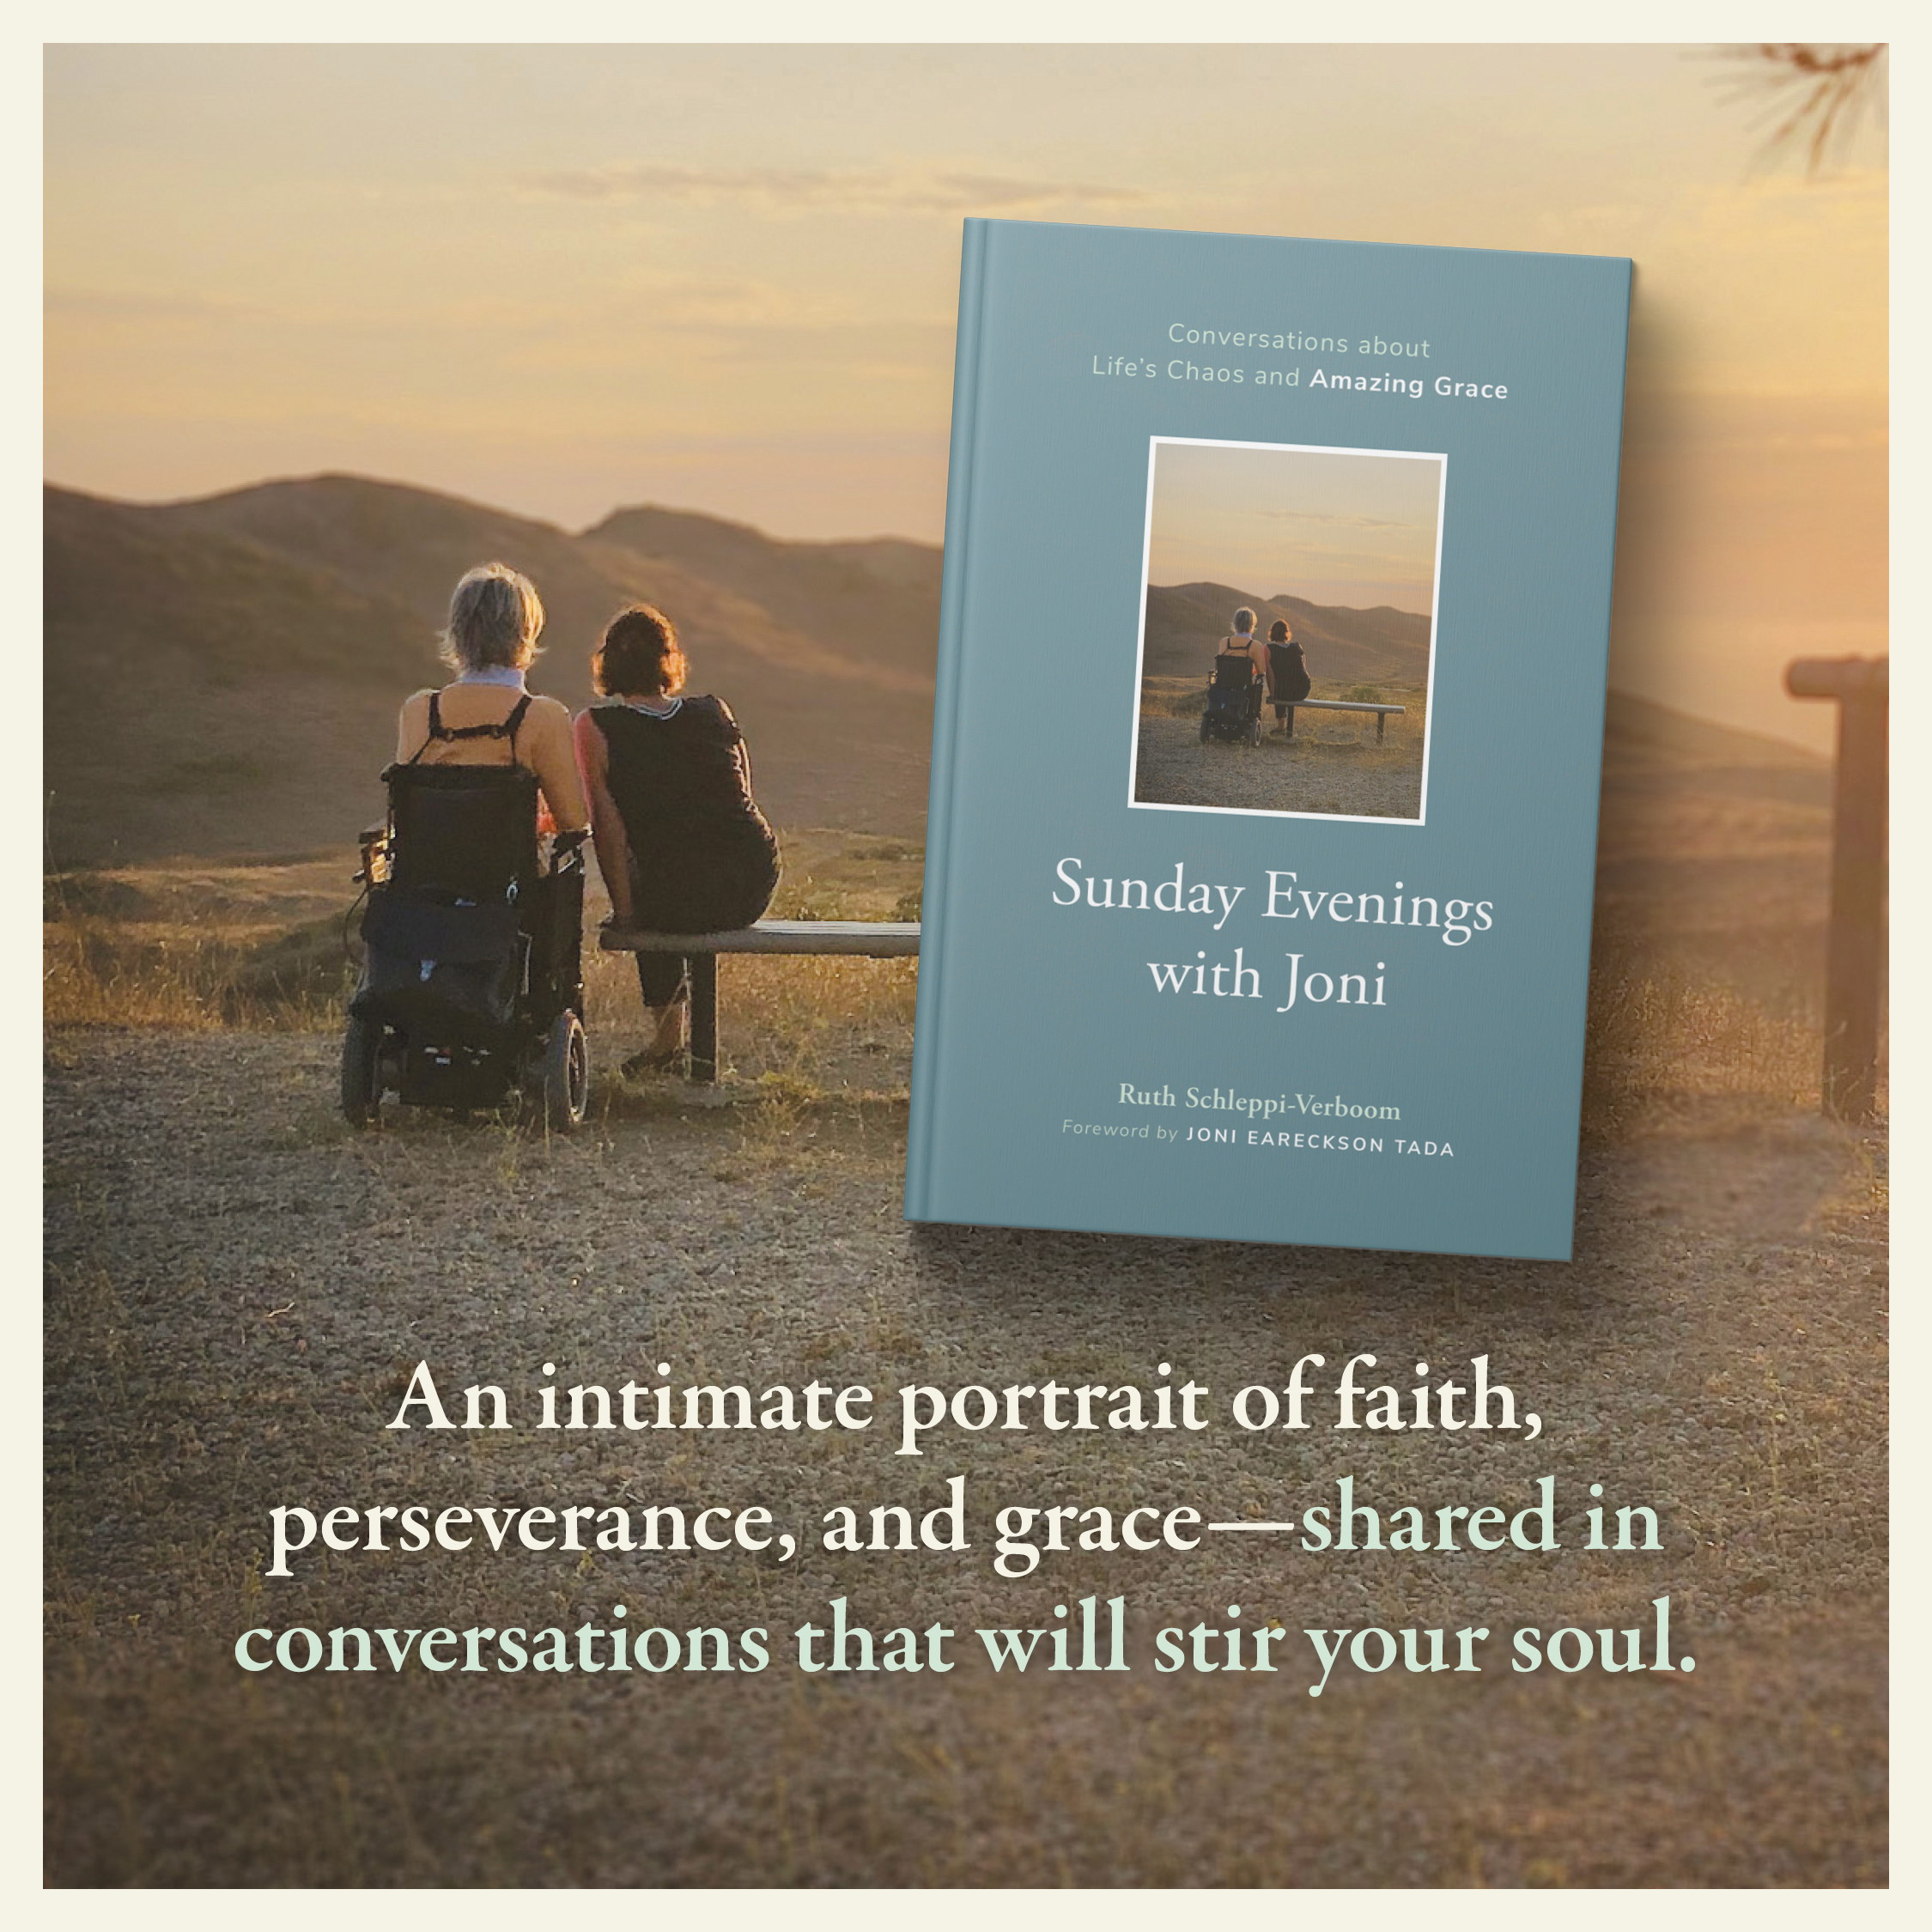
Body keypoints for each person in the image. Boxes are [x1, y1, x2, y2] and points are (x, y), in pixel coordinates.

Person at [574, 603, 781, 1076]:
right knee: (666, 867)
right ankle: (670, 1046)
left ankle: (667, 1043)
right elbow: (741, 795)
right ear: (668, 660)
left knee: (650, 879)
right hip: (753, 879)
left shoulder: (595, 727)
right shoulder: (714, 710)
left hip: (677, 894)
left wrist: (626, 916)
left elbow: (607, 828)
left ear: (607, 663)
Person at [394, 562, 590, 830]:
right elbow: (573, 820)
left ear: (457, 631)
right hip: (508, 858)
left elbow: (406, 807)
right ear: (526, 634)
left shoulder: (419, 710)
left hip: (426, 857)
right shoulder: (543, 716)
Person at [1214, 606, 1271, 724]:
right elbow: (1261, 671)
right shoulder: (1255, 645)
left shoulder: (1225, 642)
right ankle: (1252, 715)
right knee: (1257, 684)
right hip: (1243, 687)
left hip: (1224, 685)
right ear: (1252, 625)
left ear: (1235, 624)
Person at [1266, 617, 1311, 734]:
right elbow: (1302, 667)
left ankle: (1281, 726)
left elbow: (1270, 675)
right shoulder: (1297, 646)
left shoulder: (1268, 649)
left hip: (1284, 691)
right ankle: (1282, 727)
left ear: (1272, 633)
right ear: (1287, 632)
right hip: (1303, 689)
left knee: (1280, 687)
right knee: (1284, 683)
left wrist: (1273, 694)